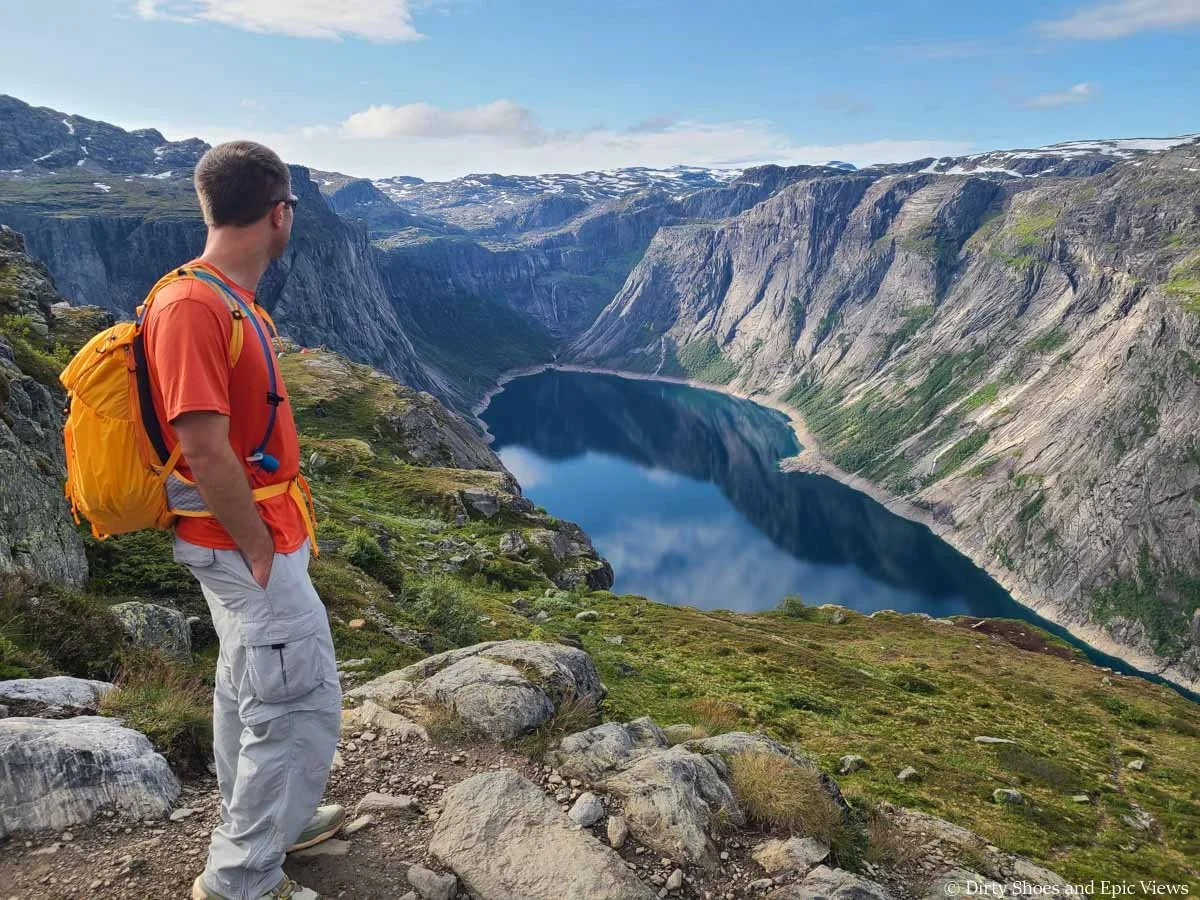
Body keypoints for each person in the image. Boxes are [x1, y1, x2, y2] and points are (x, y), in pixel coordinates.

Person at [142, 141, 343, 900]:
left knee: (247, 690)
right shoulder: (194, 304)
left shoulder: (227, 299)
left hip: (250, 540)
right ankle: (242, 882)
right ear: (280, 214)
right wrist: (258, 547)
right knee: (295, 704)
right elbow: (201, 443)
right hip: (241, 543)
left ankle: (271, 828)